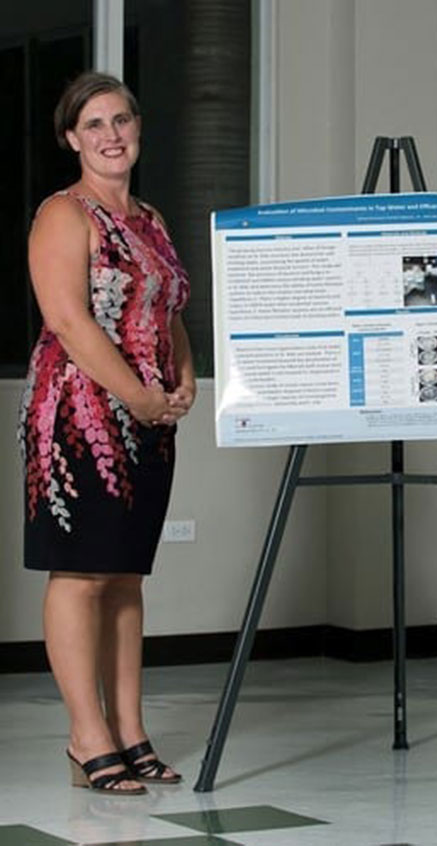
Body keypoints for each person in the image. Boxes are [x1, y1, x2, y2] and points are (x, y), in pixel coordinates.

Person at [18, 71, 195, 794]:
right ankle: (86, 736)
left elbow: (170, 311)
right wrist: (140, 398)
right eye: (93, 124)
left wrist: (183, 377)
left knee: (125, 576)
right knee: (82, 573)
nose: (110, 135)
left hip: (149, 416)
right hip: (79, 415)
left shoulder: (151, 217)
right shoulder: (65, 213)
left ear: (138, 128)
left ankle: (130, 729)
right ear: (71, 139)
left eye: (120, 120)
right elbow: (68, 320)